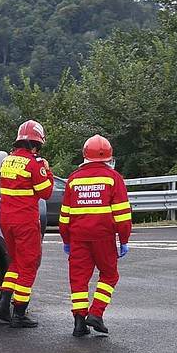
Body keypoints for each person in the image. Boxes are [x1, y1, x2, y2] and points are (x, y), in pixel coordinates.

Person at [59, 134, 132, 337]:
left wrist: (66, 240)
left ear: (85, 155)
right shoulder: (113, 178)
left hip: (78, 237)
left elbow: (65, 216)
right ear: (109, 157)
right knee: (110, 275)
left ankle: (79, 323)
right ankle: (96, 313)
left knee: (79, 279)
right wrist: (124, 239)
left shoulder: (73, 179)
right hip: (104, 236)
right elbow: (122, 215)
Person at [0, 120, 54, 328]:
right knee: (29, 265)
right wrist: (48, 170)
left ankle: (3, 303)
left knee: (16, 262)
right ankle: (19, 312)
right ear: (37, 144)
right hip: (25, 222)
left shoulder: (6, 161)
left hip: (6, 220)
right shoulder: (34, 163)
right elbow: (46, 192)